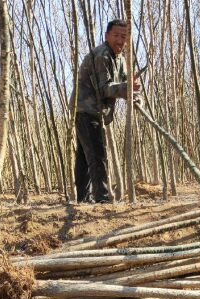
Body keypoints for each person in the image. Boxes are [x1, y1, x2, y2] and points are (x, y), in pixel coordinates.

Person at [74, 19, 141, 204]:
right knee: (96, 154)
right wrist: (128, 88)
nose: (120, 40)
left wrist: (135, 95)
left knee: (84, 155)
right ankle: (102, 199)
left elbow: (126, 83)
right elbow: (105, 88)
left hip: (94, 111)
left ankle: (83, 199)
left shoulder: (119, 58)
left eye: (124, 37)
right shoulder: (103, 55)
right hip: (86, 111)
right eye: (116, 36)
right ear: (107, 36)